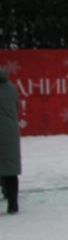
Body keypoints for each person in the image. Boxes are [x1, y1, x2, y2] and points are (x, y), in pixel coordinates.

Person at [0, 69, 21, 214]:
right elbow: (16, 108)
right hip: (10, 132)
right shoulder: (12, 89)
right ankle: (13, 204)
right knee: (10, 169)